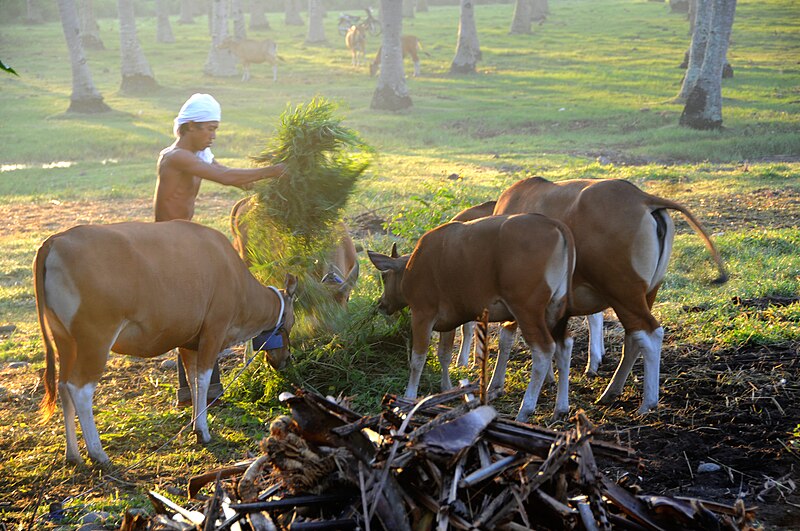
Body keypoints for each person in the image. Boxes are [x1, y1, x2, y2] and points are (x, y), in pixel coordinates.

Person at [155, 93, 286, 407]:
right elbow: (227, 178)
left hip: (184, 235)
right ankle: (202, 389)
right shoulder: (176, 156)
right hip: (170, 240)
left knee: (197, 309)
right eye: (208, 129)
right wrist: (276, 170)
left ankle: (195, 390)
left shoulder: (197, 155)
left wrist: (271, 186)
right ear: (188, 127)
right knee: (202, 307)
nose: (213, 136)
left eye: (216, 129)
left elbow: (233, 176)